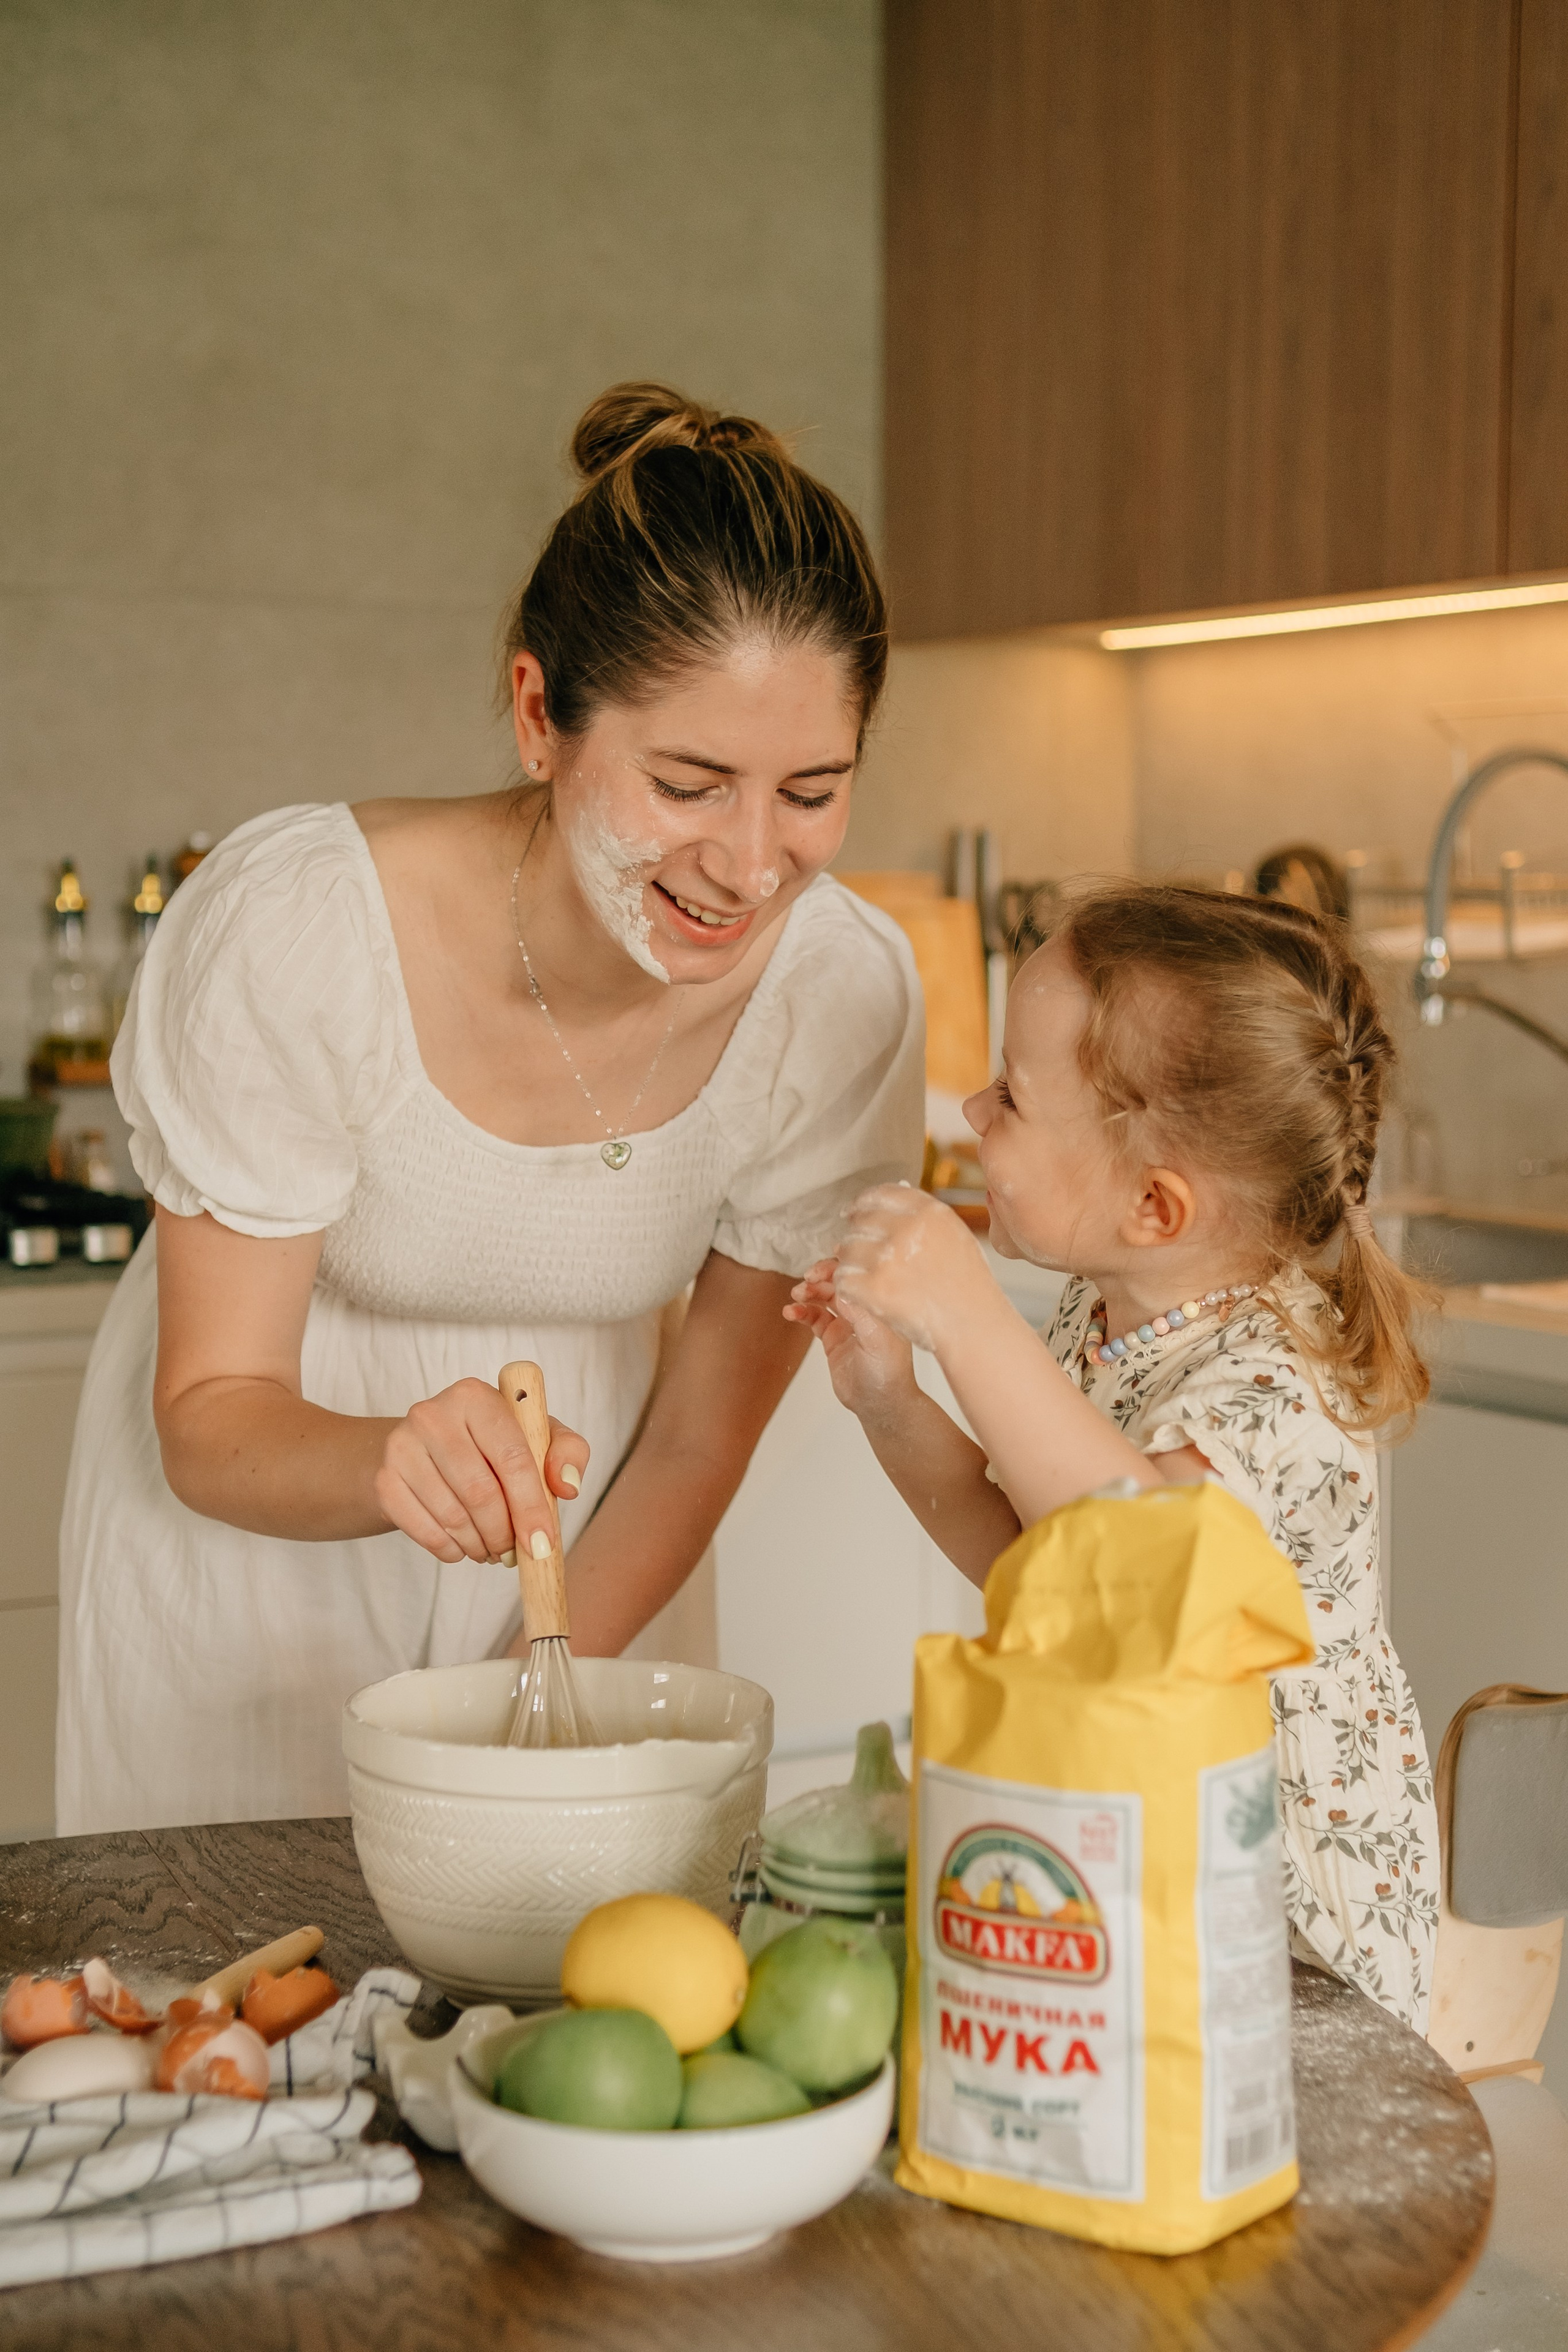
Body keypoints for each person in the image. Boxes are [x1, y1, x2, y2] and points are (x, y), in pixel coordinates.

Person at [57, 383, 923, 1836]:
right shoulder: (301, 932)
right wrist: (382, 1456)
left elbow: (700, 1439)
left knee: (566, 1960)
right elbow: (209, 1412)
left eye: (810, 791)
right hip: (258, 1554)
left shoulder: (839, 997)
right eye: (689, 784)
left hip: (599, 1562)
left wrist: (533, 1689)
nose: (749, 864)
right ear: (538, 715)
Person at [786, 883, 1439, 2030]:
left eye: (1012, 1097)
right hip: (1154, 1860)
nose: (975, 1109)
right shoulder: (1104, 1318)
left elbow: (1144, 1569)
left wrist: (969, 1315)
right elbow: (1042, 1564)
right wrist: (890, 1399)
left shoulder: (1273, 1383)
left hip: (1294, 1944)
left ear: (1154, 1205)